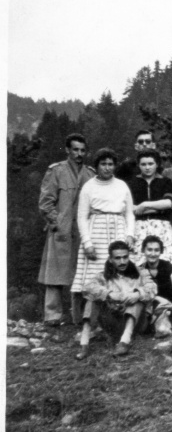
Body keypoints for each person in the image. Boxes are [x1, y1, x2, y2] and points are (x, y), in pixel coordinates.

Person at [70, 148, 136, 336]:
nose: (107, 168)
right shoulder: (89, 187)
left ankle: (117, 319)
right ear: (97, 166)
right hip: (96, 232)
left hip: (118, 230)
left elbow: (129, 213)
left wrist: (130, 234)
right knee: (95, 277)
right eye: (103, 164)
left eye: (110, 164)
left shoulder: (122, 185)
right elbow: (82, 217)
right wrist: (87, 242)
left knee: (118, 274)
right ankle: (91, 325)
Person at [38, 133, 95, 326]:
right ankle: (52, 316)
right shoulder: (56, 171)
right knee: (55, 273)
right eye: (75, 150)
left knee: (81, 273)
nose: (79, 154)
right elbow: (45, 203)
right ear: (68, 150)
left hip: (82, 232)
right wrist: (57, 223)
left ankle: (78, 317)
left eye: (82, 150)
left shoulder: (90, 174)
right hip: (60, 231)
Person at [77, 241, 156, 360]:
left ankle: (125, 342)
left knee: (136, 298)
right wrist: (108, 294)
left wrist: (138, 294)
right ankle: (84, 343)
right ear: (110, 259)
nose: (122, 262)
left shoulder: (141, 272)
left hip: (137, 322)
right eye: (117, 258)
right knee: (92, 298)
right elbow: (87, 287)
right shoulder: (102, 276)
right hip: (113, 321)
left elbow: (153, 288)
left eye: (125, 257)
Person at [128, 150, 172, 270]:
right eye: (143, 164)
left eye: (150, 164)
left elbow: (168, 203)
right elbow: (129, 208)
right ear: (138, 165)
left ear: (157, 164)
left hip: (161, 226)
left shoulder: (165, 181)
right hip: (138, 227)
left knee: (165, 259)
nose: (147, 167)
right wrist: (157, 208)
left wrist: (144, 205)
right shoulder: (132, 183)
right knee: (139, 260)